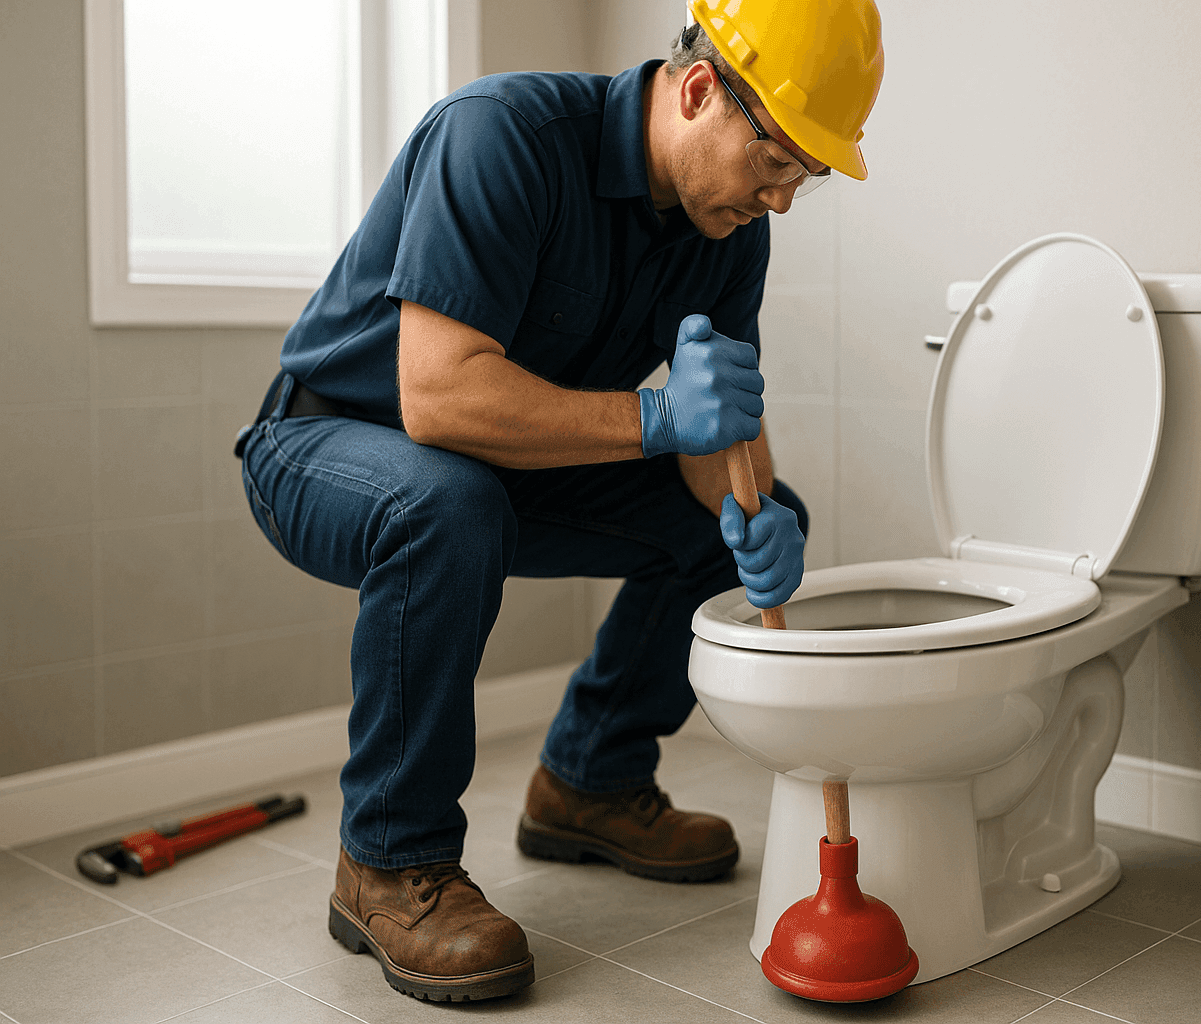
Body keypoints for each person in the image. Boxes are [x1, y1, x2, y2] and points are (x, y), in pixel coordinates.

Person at [236, 0, 883, 1003]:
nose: (784, 198)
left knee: (724, 525)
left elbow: (720, 429)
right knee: (446, 502)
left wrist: (756, 513)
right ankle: (387, 860)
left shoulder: (728, 229)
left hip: (492, 471)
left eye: (806, 174)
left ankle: (591, 776)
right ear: (700, 91)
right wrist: (659, 418)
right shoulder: (502, 138)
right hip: (324, 440)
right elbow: (438, 397)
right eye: (776, 159)